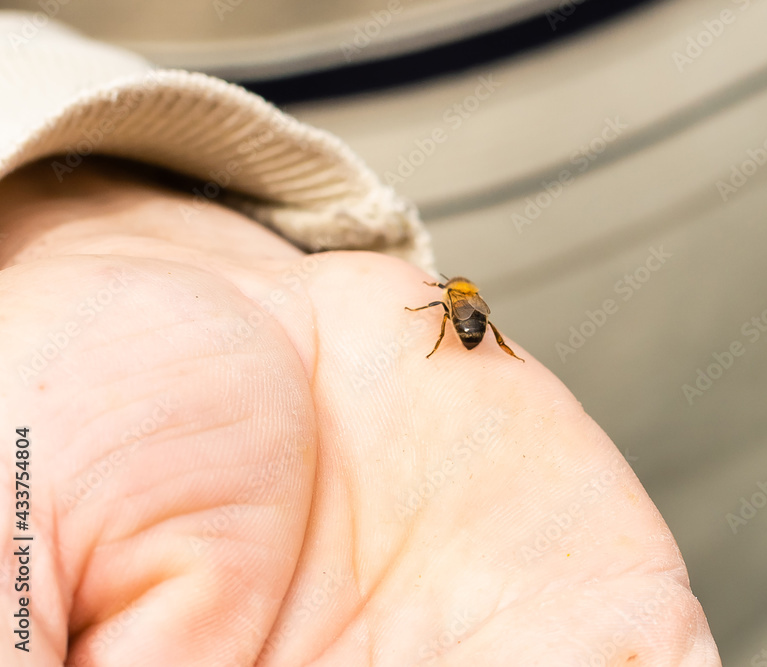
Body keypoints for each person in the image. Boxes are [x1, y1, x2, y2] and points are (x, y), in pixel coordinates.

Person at [0, 15, 721, 666]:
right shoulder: (453, 305)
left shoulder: (454, 303)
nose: (457, 303)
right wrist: (91, 203)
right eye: (457, 304)